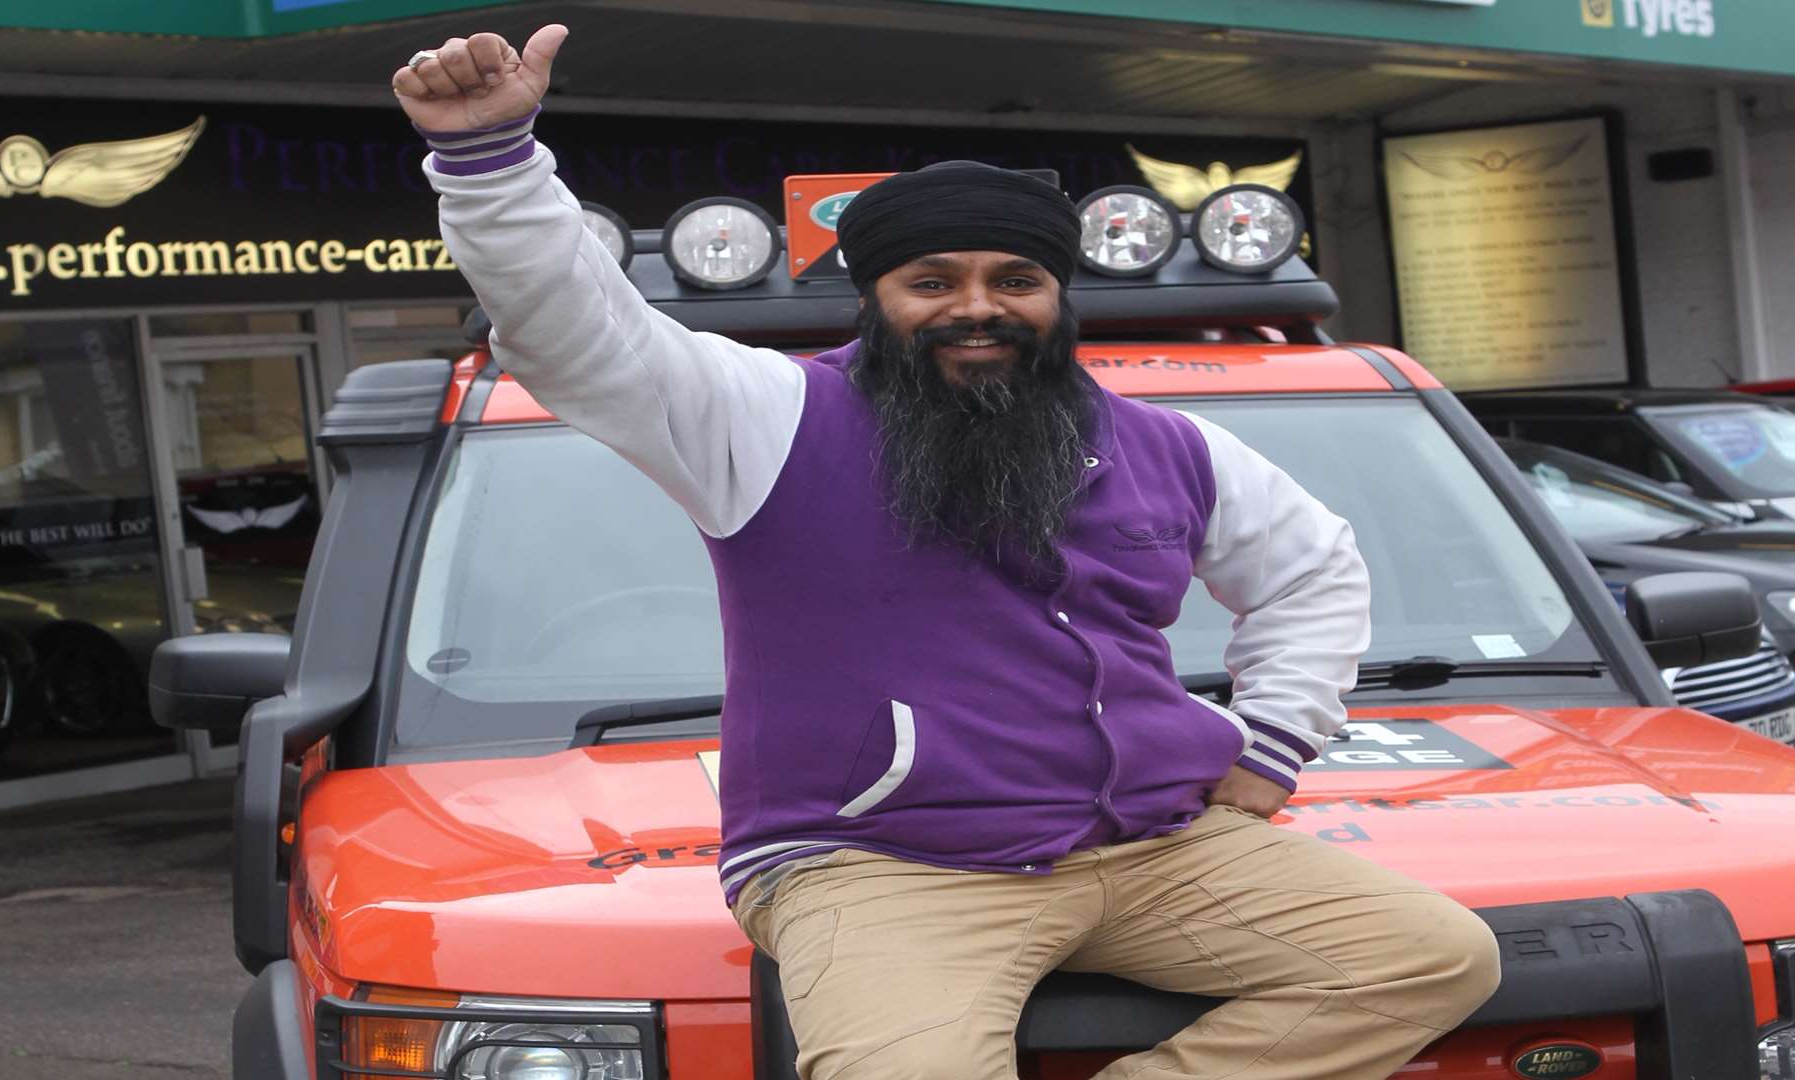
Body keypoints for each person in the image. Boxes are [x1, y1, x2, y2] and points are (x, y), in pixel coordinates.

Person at [393, 26, 1500, 1080]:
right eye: (933, 283)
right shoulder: (766, 417)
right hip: (879, 863)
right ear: (875, 300)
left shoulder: (1172, 445)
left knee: (1432, 955)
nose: (979, 308)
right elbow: (577, 333)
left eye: (1015, 280)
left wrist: (1270, 743)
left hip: (1158, 847)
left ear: (1059, 296)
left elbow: (1315, 568)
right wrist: (489, 162)